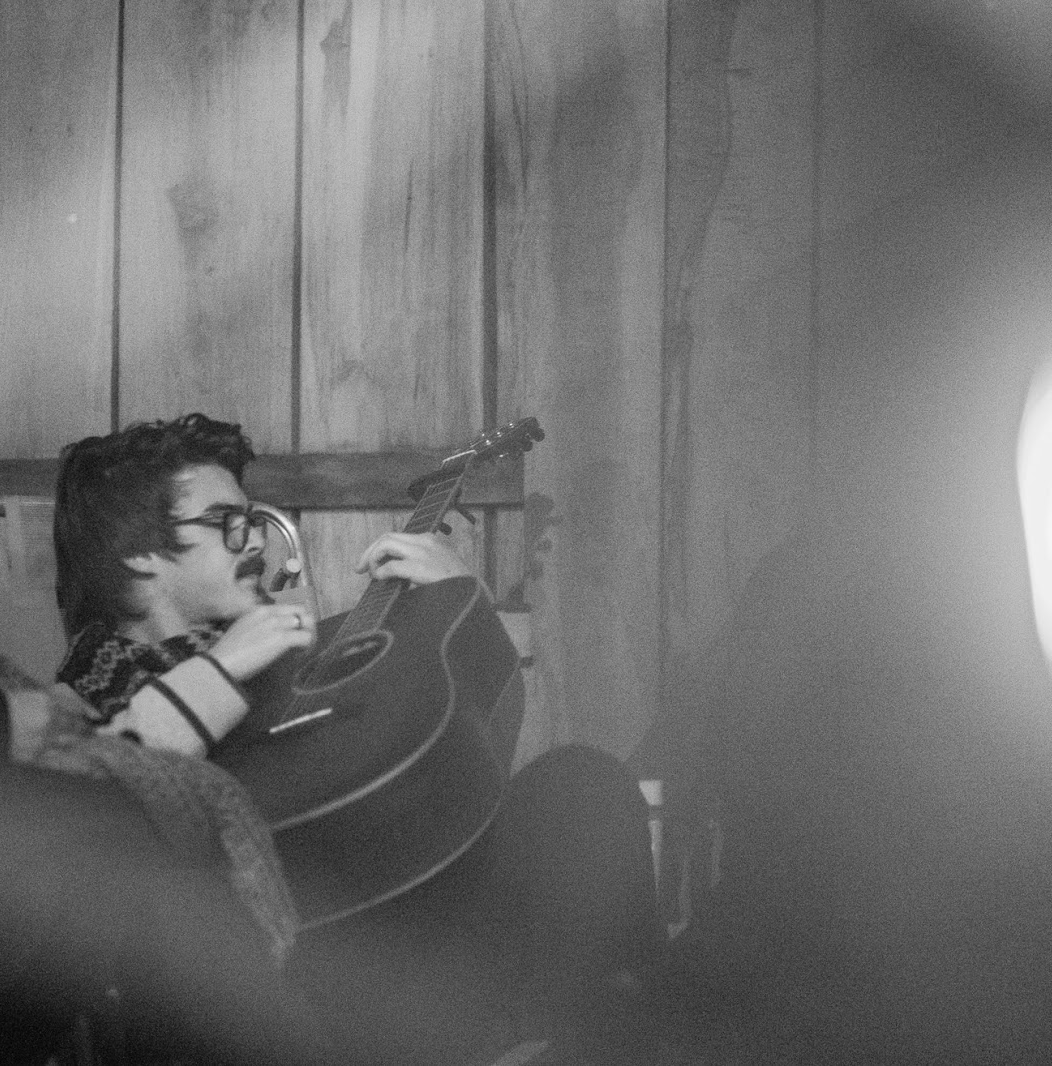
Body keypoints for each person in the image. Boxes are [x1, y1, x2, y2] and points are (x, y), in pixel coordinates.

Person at [52, 413, 664, 1065]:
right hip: (294, 979)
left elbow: (467, 767)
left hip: (414, 921)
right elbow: (100, 794)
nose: (252, 541)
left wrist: (460, 604)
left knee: (581, 788)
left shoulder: (288, 652)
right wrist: (222, 668)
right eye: (226, 522)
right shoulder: (91, 684)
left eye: (253, 520)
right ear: (140, 552)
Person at [0, 268, 329, 1065]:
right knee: (114, 845)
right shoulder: (107, 663)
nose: (253, 545)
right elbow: (98, 737)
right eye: (226, 525)